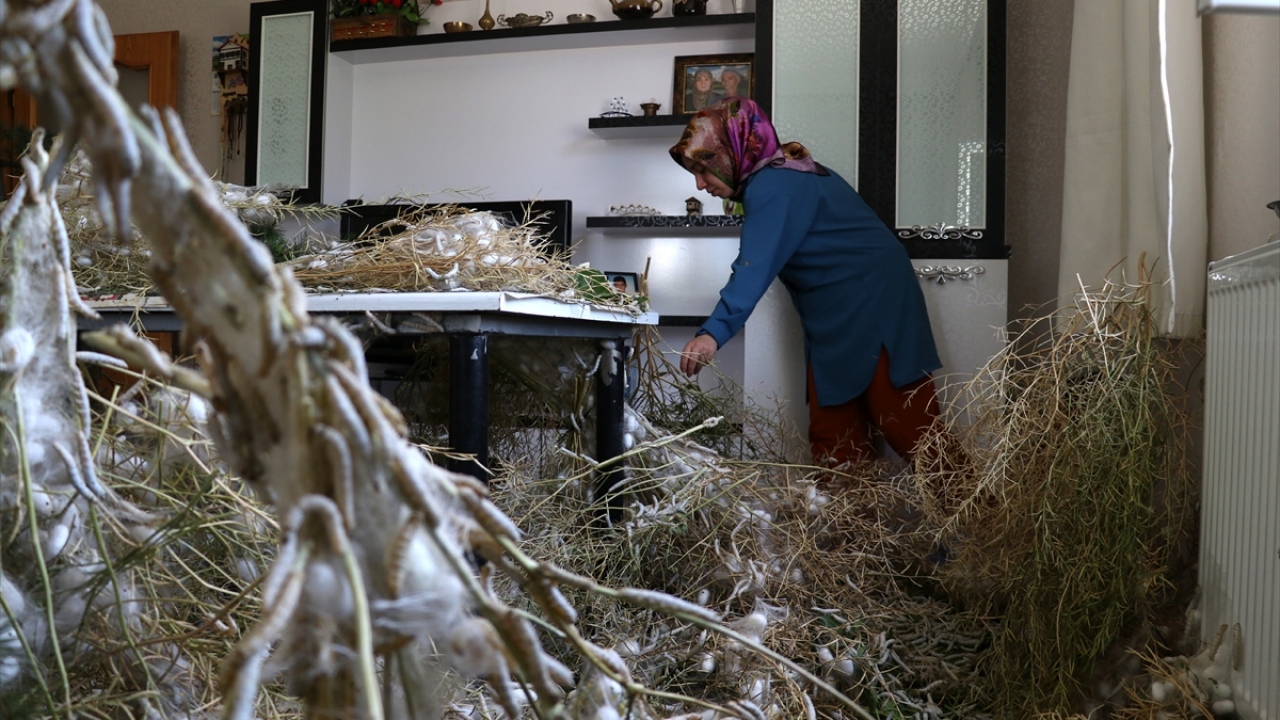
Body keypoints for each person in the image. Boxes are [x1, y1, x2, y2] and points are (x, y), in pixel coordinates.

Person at [670, 97, 949, 474]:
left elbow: (752, 269)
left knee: (912, 431)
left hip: (872, 307)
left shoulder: (775, 184)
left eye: (703, 169)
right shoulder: (781, 174)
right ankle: (847, 532)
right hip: (832, 320)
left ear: (729, 153)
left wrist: (711, 334)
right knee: (836, 439)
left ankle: (984, 526)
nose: (700, 184)